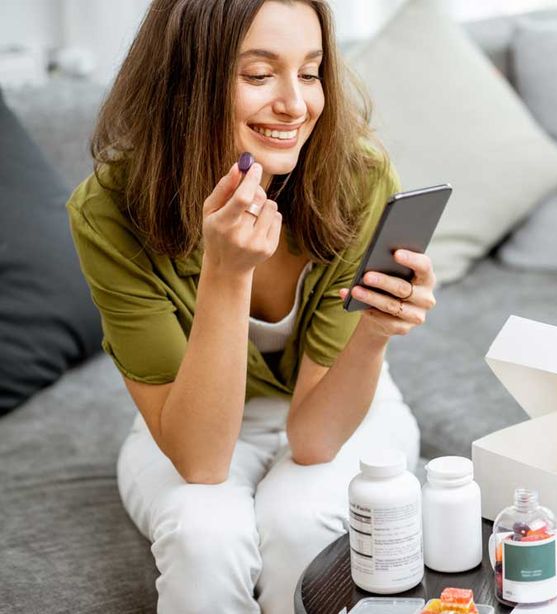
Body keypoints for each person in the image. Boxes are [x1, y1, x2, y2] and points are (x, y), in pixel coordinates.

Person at [65, 1, 435, 612]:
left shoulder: (357, 179)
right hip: (186, 419)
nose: (295, 105)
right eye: (259, 75)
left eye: (311, 72)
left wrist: (373, 331)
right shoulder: (109, 211)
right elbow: (202, 460)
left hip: (342, 405)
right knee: (204, 538)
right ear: (186, 82)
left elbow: (315, 441)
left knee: (301, 524)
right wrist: (226, 274)